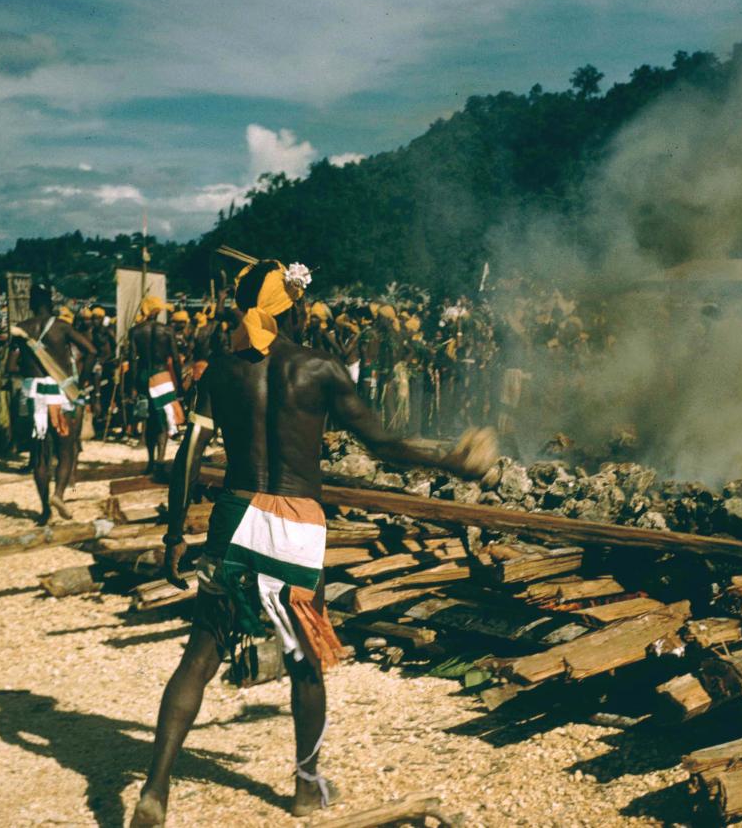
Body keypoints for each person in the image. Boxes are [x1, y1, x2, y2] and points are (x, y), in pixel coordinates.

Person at [131, 260, 496, 826]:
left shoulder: (220, 372)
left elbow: (190, 455)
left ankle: (155, 788)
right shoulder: (319, 369)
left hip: (234, 514)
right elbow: (381, 443)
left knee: (201, 653)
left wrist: (176, 531)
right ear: (293, 306)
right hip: (297, 522)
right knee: (304, 659)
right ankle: (305, 789)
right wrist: (448, 461)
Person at [8, 286, 96, 524]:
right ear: (51, 303)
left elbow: (10, 365)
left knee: (39, 455)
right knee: (66, 449)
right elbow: (91, 350)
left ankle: (44, 511)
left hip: (33, 394)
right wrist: (83, 379)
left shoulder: (21, 329)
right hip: (60, 394)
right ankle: (58, 495)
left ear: (31, 304)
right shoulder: (61, 327)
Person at [127, 296, 184, 477]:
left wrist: (133, 385)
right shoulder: (166, 331)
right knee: (164, 418)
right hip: (162, 377)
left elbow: (132, 360)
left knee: (149, 419)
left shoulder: (135, 331)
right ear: (157, 311)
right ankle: (160, 459)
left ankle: (151, 461)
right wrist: (180, 384)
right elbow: (175, 359)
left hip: (144, 375)